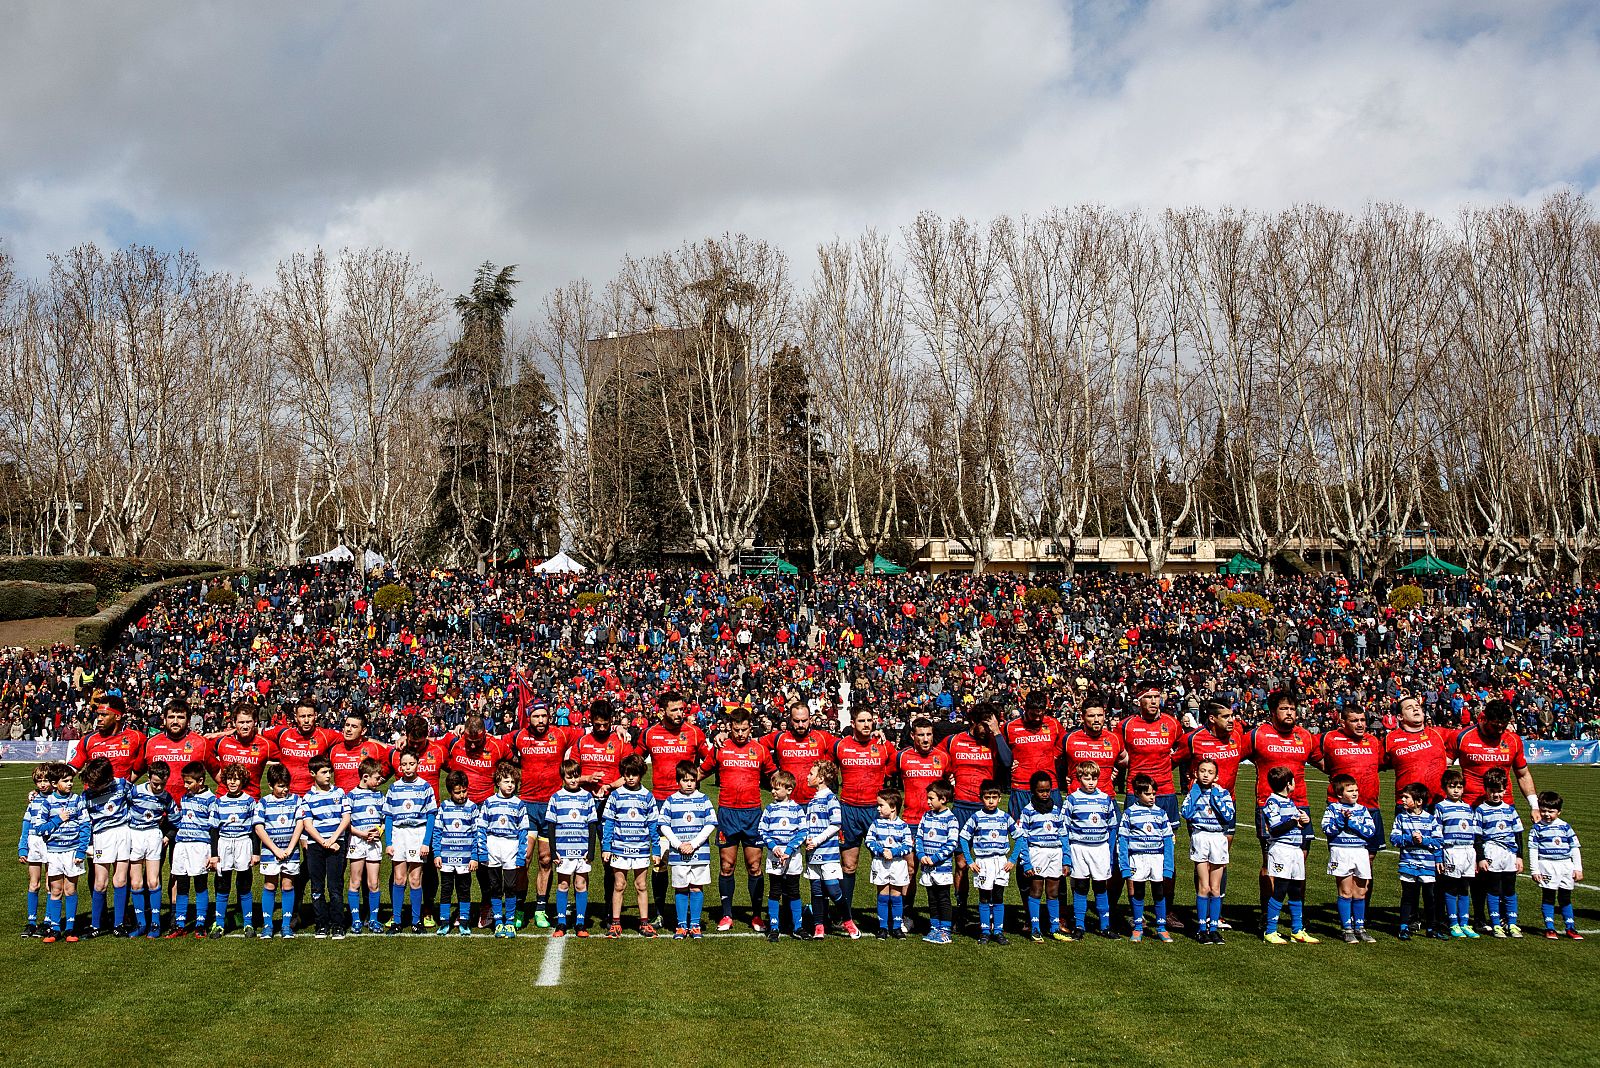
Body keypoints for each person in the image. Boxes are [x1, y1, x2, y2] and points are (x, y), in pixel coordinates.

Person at [701, 705, 775, 932]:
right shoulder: (720, 749)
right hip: (728, 813)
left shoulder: (760, 750)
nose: (741, 734)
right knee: (726, 866)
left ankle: (756, 916)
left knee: (754, 866)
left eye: (744, 729)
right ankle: (726, 915)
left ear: (750, 728)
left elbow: (773, 776)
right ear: (729, 728)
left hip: (753, 814)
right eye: (736, 729)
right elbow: (701, 773)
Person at [1249, 690, 1318, 930]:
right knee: (1271, 861)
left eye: (1292, 708)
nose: (1290, 713)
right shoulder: (1258, 735)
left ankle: (1298, 915)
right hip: (1269, 806)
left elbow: (1323, 762)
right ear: (1272, 712)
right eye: (1284, 708)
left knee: (1300, 860)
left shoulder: (1305, 736)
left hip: (1301, 805)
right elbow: (1231, 756)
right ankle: (1266, 914)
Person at [641, 691, 711, 928]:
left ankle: (692, 915)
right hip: (660, 804)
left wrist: (695, 778)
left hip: (691, 807)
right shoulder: (650, 733)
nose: (681, 714)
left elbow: (711, 760)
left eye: (682, 709)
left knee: (690, 857)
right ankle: (660, 912)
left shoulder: (694, 733)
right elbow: (634, 762)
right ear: (662, 711)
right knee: (660, 861)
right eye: (675, 710)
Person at [501, 699, 572, 930]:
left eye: (544, 716)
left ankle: (541, 909)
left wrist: (621, 728)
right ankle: (520, 908)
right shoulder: (518, 737)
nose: (540, 720)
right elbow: (493, 741)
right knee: (524, 858)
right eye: (536, 716)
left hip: (552, 806)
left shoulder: (561, 734)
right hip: (527, 805)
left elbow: (588, 732)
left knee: (545, 859)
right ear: (528, 718)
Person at [940, 702, 1011, 925]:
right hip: (961, 806)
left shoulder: (994, 741)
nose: (988, 728)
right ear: (974, 722)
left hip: (986, 810)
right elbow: (936, 760)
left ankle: (989, 906)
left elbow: (1008, 762)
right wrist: (946, 778)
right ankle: (961, 907)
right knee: (961, 863)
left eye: (992, 724)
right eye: (985, 724)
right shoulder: (953, 740)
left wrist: (997, 732)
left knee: (990, 860)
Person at [1118, 681, 1182, 930]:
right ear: (1139, 701)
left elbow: (1182, 749)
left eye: (1158, 696)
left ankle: (1167, 910)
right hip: (1136, 796)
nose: (1155, 701)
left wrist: (1168, 769)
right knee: (1135, 853)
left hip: (1165, 794)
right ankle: (1137, 912)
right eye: (1150, 697)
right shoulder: (1126, 725)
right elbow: (1118, 755)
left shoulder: (1172, 723)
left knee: (1167, 854)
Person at [836, 706, 897, 930]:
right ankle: (846, 915)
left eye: (869, 720)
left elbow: (892, 767)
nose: (866, 724)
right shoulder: (841, 746)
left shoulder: (883, 746)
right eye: (861, 720)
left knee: (884, 862)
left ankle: (888, 916)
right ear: (853, 723)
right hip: (849, 810)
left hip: (876, 811)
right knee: (849, 865)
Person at [1317, 707, 1384, 909]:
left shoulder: (1373, 741)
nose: (1360, 724)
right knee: (1344, 864)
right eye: (1354, 720)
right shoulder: (1328, 739)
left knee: (1367, 862)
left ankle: (1362, 913)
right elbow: (1314, 757)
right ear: (1343, 722)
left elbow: (1383, 763)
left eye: (1363, 719)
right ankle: (1346, 915)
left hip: (1370, 808)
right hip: (1341, 810)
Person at [894, 715, 950, 921]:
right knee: (909, 870)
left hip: (936, 824)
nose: (926, 739)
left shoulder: (943, 757)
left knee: (935, 870)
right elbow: (885, 774)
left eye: (929, 734)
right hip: (910, 822)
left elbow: (951, 777)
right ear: (913, 736)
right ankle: (906, 914)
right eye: (921, 735)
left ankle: (936, 915)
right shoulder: (902, 757)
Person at [601, 754, 659, 938]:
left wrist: (655, 849)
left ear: (641, 774)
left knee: (641, 885)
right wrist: (606, 847)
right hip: (619, 848)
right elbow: (608, 822)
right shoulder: (616, 796)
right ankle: (616, 923)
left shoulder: (647, 796)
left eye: (634, 774)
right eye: (627, 774)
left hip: (641, 848)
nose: (630, 778)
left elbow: (653, 825)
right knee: (619, 885)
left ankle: (644, 923)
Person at [657, 760, 716, 940]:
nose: (689, 784)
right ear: (678, 781)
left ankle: (695, 925)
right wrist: (678, 844)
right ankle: (682, 925)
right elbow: (663, 825)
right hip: (678, 853)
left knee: (696, 888)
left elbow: (711, 824)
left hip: (699, 853)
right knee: (681, 888)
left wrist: (694, 843)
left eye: (692, 780)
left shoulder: (704, 799)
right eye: (684, 780)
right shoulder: (671, 801)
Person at [1180, 756, 1235, 944]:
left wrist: (1216, 797)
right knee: (1204, 886)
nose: (1206, 775)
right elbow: (1185, 813)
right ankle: (1201, 928)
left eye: (1210, 772)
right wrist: (1195, 793)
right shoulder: (1193, 792)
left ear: (1216, 776)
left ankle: (1214, 928)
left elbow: (1228, 816)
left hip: (1218, 839)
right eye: (1202, 771)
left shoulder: (1222, 792)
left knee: (1216, 888)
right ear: (1196, 773)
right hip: (1201, 837)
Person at [1260, 766, 1317, 945]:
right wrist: (1294, 821)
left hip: (1295, 850)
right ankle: (1270, 931)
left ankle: (1297, 930)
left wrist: (1303, 821)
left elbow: (1293, 824)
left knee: (1295, 889)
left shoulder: (1289, 802)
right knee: (1281, 888)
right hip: (1282, 850)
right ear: (1288, 784)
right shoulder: (1272, 802)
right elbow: (1275, 828)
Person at [383, 749, 438, 935]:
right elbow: (389, 817)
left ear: (418, 764)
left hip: (417, 834)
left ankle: (416, 921)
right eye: (404, 764)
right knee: (399, 878)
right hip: (399, 834)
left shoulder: (425, 787)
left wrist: (425, 842)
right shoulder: (394, 787)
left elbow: (431, 816)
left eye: (411, 764)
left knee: (415, 879)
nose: (407, 768)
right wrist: (389, 842)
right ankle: (397, 921)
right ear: (400, 766)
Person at [960, 779, 1020, 945]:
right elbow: (963, 837)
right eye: (987, 797)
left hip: (1000, 862)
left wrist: (1012, 859)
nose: (991, 800)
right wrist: (970, 860)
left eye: (994, 797)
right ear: (982, 798)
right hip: (983, 862)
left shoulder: (1005, 817)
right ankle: (985, 931)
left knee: (999, 896)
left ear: (1000, 798)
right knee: (984, 896)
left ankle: (998, 931)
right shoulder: (976, 817)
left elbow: (1020, 837)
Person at [1118, 772, 1176, 943]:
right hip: (1138, 858)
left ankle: (1161, 927)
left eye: (1153, 794)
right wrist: (1124, 865)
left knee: (1159, 892)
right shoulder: (1130, 813)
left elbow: (1168, 841)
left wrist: (1168, 865)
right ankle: (1137, 927)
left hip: (1156, 858)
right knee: (1139, 891)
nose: (1152, 797)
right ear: (1137, 793)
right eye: (1147, 794)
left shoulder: (1161, 813)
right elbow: (1122, 840)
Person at [475, 761, 530, 939]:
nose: (510, 785)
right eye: (506, 781)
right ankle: (498, 922)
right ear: (498, 782)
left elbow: (523, 832)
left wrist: (521, 855)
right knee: (495, 886)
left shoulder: (519, 804)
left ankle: (510, 922)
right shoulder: (489, 803)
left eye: (513, 782)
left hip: (511, 847)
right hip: (493, 845)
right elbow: (481, 828)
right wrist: (482, 851)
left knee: (511, 886)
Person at [1064, 760, 1118, 939]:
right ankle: (1079, 925)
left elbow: (1112, 827)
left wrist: (1109, 852)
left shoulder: (1105, 799)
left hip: (1100, 849)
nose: (1091, 782)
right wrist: (1068, 851)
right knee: (1080, 886)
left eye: (1094, 778)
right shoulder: (1072, 799)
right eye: (1087, 778)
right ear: (1079, 778)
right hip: (1079, 848)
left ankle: (1105, 926)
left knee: (1101, 886)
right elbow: (1064, 827)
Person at [300, 753, 352, 939]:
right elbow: (307, 824)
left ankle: (338, 924)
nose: (328, 775)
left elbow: (345, 818)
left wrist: (333, 840)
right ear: (313, 773)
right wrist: (323, 842)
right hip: (316, 846)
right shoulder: (307, 798)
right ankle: (321, 924)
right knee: (317, 887)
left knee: (335, 886)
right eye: (323, 772)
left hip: (336, 844)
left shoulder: (339, 793)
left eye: (329, 771)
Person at [1321, 772, 1377, 943]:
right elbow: (1327, 829)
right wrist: (1341, 821)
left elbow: (1370, 831)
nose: (1355, 793)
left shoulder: (1362, 810)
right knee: (1346, 892)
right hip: (1341, 851)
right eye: (1350, 791)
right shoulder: (1333, 809)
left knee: (1361, 892)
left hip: (1360, 851)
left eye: (1356, 790)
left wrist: (1353, 823)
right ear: (1339, 794)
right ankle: (1347, 928)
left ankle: (1360, 927)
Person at [79, 756, 132, 937]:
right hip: (101, 837)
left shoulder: (122, 785)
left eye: (95, 783)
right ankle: (96, 926)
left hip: (123, 833)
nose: (92, 787)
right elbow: (76, 814)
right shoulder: (86, 796)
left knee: (120, 880)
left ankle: (119, 924)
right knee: (100, 882)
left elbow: (138, 800)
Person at [547, 758, 599, 937]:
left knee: (580, 884)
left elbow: (592, 825)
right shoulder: (556, 797)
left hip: (582, 851)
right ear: (563, 777)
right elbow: (551, 826)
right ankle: (561, 922)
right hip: (563, 851)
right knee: (563, 884)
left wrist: (591, 850)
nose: (573, 780)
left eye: (576, 776)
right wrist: (554, 852)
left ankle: (580, 923)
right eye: (570, 777)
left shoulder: (587, 797)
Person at [39, 762, 90, 943]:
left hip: (73, 851)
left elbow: (85, 826)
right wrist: (57, 820)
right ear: (54, 783)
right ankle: (54, 929)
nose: (70, 784)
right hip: (54, 853)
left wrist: (81, 851)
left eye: (71, 781)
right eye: (65, 781)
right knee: (56, 890)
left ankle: (70, 928)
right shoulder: (47, 803)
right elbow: (39, 828)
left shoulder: (77, 800)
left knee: (70, 889)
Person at [209, 764, 261, 937]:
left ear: (243, 781)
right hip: (224, 843)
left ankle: (248, 924)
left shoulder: (250, 801)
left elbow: (255, 829)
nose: (233, 782)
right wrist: (214, 855)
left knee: (244, 884)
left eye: (237, 779)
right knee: (223, 885)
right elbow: (214, 830)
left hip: (243, 843)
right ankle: (220, 924)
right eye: (230, 778)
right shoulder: (219, 802)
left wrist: (255, 852)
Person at [1017, 770, 1068, 943]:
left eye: (1047, 790)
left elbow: (1063, 835)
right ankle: (1036, 928)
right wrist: (1026, 863)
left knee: (1053, 892)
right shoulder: (1027, 811)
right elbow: (1021, 838)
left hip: (1055, 853)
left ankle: (1054, 929)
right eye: (1041, 791)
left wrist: (1066, 859)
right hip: (1037, 853)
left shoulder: (1056, 811)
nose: (1045, 794)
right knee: (1036, 891)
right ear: (1033, 791)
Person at [756, 769, 808, 940]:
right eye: (772, 788)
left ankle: (798, 926)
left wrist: (789, 849)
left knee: (793, 890)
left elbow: (803, 832)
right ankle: (773, 926)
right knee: (775, 891)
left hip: (792, 856)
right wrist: (773, 846)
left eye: (777, 789)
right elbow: (762, 830)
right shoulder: (770, 809)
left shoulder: (798, 810)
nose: (773, 792)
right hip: (775, 855)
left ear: (789, 789)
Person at [126, 760, 176, 937]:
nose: (159, 787)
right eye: (156, 783)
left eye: (163, 784)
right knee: (136, 882)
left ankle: (155, 924)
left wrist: (168, 836)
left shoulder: (166, 797)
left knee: (153, 881)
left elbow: (176, 819)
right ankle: (141, 923)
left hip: (153, 836)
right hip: (134, 835)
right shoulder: (134, 791)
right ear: (148, 778)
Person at [803, 759, 851, 939]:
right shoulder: (813, 800)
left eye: (811, 774)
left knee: (833, 890)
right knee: (816, 890)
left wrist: (816, 840)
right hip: (812, 854)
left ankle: (848, 921)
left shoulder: (831, 799)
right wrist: (807, 838)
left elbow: (836, 825)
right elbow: (809, 824)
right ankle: (819, 926)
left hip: (828, 853)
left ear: (821, 778)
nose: (808, 776)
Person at [166, 761, 216, 939]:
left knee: (200, 884)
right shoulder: (185, 797)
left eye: (189, 783)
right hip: (182, 845)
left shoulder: (211, 799)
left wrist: (212, 853)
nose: (185, 786)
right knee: (182, 885)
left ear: (200, 781)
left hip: (200, 846)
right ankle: (179, 924)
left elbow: (213, 828)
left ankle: (200, 923)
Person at [1389, 782, 1443, 941]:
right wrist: (1410, 839)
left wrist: (1424, 841)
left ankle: (1431, 927)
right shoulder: (1401, 818)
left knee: (1429, 897)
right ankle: (1404, 927)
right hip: (1408, 864)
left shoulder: (1431, 819)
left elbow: (1439, 841)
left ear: (1419, 802)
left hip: (1427, 866)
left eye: (1406, 797)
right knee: (1408, 897)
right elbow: (1394, 839)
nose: (1403, 800)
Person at [1475, 766, 1524, 938]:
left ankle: (1512, 923)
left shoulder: (1510, 809)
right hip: (1492, 853)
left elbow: (1518, 834)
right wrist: (1480, 858)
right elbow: (1477, 837)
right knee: (1494, 889)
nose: (1496, 795)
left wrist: (1519, 857)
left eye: (1500, 791)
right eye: (1492, 791)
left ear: (1505, 790)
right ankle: (1495, 924)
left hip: (1509, 854)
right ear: (1486, 790)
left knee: (1510, 889)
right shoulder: (1481, 810)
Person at [255, 763, 303, 938]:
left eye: (286, 785)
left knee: (287, 885)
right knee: (270, 884)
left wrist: (290, 848)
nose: (284, 789)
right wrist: (275, 849)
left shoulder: (296, 800)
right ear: (270, 786)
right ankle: (268, 925)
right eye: (280, 786)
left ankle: (286, 925)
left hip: (291, 852)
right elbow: (259, 828)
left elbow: (300, 824)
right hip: (270, 852)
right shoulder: (263, 803)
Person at [429, 770, 479, 937]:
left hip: (465, 859)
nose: (462, 795)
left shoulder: (472, 808)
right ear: (450, 791)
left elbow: (476, 834)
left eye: (464, 791)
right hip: (447, 858)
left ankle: (464, 923)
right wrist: (437, 854)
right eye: (457, 792)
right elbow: (437, 832)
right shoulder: (443, 807)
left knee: (464, 890)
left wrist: (474, 857)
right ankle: (444, 923)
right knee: (446, 890)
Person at [1529, 789, 1583, 940]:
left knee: (1565, 897)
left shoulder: (1565, 827)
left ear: (1559, 812)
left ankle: (1570, 927)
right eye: (1544, 811)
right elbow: (1533, 850)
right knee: (1548, 896)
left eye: (1551, 811)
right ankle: (1550, 928)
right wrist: (1535, 870)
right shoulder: (1537, 829)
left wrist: (1578, 868)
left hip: (1566, 865)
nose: (1547, 814)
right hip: (1547, 865)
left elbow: (1574, 848)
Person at [1004, 690, 1064, 816]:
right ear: (1025, 708)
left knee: (1054, 827)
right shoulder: (1009, 727)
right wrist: (1007, 762)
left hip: (1049, 785)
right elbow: (998, 749)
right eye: (1033, 715)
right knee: (1019, 829)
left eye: (1040, 715)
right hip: (1022, 785)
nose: (1037, 718)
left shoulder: (1053, 724)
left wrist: (1055, 755)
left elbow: (1065, 743)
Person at [1435, 768, 1479, 938]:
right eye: (1452, 787)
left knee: (1464, 888)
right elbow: (1437, 833)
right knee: (1452, 888)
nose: (1456, 790)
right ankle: (1453, 923)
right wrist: (1439, 856)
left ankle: (1465, 923)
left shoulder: (1468, 808)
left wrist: (1475, 857)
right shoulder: (1441, 807)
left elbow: (1474, 832)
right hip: (1451, 851)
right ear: (1445, 788)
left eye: (1459, 787)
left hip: (1468, 851)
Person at [864, 788, 913, 939]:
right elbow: (869, 841)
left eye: (881, 805)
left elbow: (908, 846)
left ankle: (897, 927)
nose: (878, 808)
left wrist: (894, 852)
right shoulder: (876, 824)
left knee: (896, 895)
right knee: (883, 895)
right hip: (881, 863)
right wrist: (881, 851)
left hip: (898, 864)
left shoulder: (903, 826)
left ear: (893, 807)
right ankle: (883, 927)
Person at [345, 758, 386, 934]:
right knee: (355, 881)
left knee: (374, 882)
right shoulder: (351, 796)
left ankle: (373, 920)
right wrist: (360, 833)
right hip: (357, 841)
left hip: (374, 843)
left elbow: (385, 820)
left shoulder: (379, 796)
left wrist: (379, 831)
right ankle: (356, 920)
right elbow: (347, 823)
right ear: (365, 777)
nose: (380, 781)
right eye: (377, 778)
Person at [263, 698, 337, 797]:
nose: (306, 720)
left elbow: (351, 737)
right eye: (302, 716)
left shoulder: (326, 735)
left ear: (315, 716)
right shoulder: (283, 733)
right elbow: (256, 732)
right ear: (296, 717)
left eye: (309, 716)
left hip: (314, 796)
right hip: (287, 796)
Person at [145, 699, 212, 803]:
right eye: (171, 717)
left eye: (180, 717)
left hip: (190, 811)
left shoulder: (201, 743)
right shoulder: (151, 743)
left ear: (188, 721)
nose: (175, 721)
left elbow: (218, 774)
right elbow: (135, 772)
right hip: (158, 810)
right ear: (164, 720)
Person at [916, 781, 959, 944]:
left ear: (943, 799)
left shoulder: (951, 819)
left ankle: (945, 930)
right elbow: (919, 837)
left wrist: (934, 859)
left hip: (941, 868)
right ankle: (934, 927)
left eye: (931, 798)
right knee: (931, 898)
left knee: (943, 898)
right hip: (927, 866)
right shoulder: (926, 816)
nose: (928, 801)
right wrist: (921, 854)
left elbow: (951, 843)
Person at [208, 702, 279, 798]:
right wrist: (219, 777)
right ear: (234, 722)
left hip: (251, 801)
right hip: (223, 800)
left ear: (255, 721)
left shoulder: (266, 745)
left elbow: (288, 760)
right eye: (241, 722)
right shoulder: (221, 742)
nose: (245, 727)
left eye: (248, 722)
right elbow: (203, 755)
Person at [70, 694, 146, 782]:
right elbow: (72, 768)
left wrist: (127, 784)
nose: (99, 718)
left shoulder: (137, 738)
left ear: (117, 716)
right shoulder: (88, 740)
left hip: (121, 795)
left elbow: (141, 768)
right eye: (98, 714)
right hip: (94, 794)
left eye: (104, 715)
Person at [18, 764, 53, 937]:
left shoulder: (56, 798)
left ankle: (47, 921)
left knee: (49, 884)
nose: (42, 784)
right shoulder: (34, 800)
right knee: (34, 883)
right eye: (39, 781)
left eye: (46, 780)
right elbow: (26, 824)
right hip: (34, 841)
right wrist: (22, 847)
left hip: (50, 843)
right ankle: (31, 922)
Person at [329, 711, 391, 794]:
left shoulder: (373, 748)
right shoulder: (335, 750)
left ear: (363, 731)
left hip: (365, 802)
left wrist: (380, 780)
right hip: (341, 802)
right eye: (347, 725)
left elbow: (392, 761)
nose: (348, 729)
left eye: (354, 726)